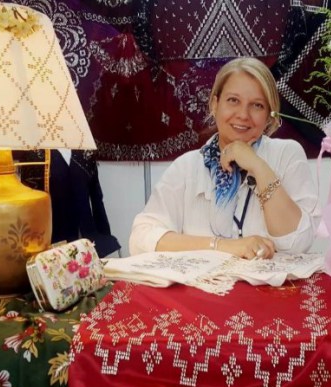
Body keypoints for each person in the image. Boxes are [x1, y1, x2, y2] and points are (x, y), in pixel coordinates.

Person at [129, 57, 320, 260]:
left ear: (269, 116)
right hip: (203, 280)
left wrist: (258, 167)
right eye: (233, 100)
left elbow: (297, 243)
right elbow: (141, 239)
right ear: (214, 104)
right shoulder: (187, 166)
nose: (243, 115)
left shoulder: (287, 154)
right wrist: (223, 246)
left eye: (257, 105)